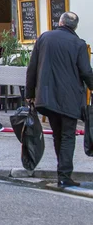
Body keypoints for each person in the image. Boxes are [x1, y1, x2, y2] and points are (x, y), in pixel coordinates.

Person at [26, 12, 93, 187]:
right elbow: (86, 72)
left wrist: (29, 94)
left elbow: (32, 68)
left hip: (46, 97)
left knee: (57, 134)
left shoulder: (44, 38)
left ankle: (61, 173)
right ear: (75, 27)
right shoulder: (79, 44)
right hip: (69, 98)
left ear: (60, 22)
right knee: (68, 136)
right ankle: (64, 175)